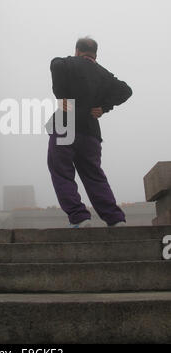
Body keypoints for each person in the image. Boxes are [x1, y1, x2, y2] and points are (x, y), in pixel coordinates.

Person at [47, 37, 132, 228]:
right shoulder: (103, 74)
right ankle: (116, 219)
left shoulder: (66, 63)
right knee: (94, 176)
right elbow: (126, 90)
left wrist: (63, 97)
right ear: (95, 54)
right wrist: (104, 107)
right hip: (91, 132)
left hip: (64, 124)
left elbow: (56, 64)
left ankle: (79, 217)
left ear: (77, 50)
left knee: (61, 172)